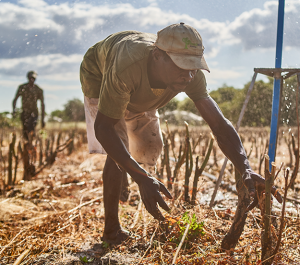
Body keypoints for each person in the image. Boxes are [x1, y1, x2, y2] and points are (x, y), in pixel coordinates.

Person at [80, 23, 282, 244]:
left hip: (138, 90)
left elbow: (219, 125)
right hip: (100, 75)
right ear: (157, 56)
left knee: (148, 149)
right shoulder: (126, 66)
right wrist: (141, 178)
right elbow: (104, 128)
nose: (188, 75)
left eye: (193, 66)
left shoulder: (190, 75)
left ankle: (126, 170)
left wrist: (245, 168)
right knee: (117, 148)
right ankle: (111, 231)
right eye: (181, 66)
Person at [12, 71, 45, 139]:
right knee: (25, 129)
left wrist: (43, 119)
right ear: (28, 78)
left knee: (32, 128)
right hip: (25, 112)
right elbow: (15, 100)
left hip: (34, 113)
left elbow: (42, 104)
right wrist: (14, 111)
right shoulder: (22, 88)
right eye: (30, 78)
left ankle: (31, 145)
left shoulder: (38, 90)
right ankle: (27, 145)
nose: (32, 80)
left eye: (33, 78)